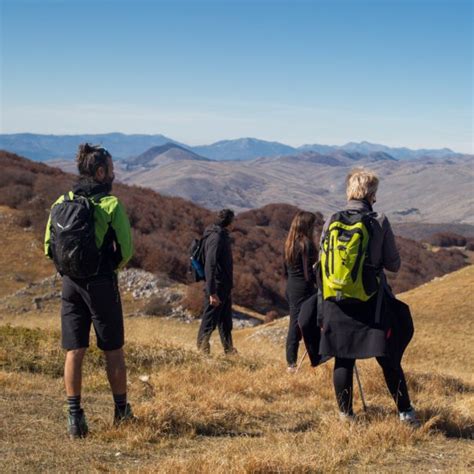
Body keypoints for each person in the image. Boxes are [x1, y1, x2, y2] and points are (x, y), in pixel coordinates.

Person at [44, 143, 134, 438]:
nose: (114, 173)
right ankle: (121, 413)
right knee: (113, 350)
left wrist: (72, 269)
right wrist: (109, 268)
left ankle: (74, 418)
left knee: (75, 350)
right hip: (101, 284)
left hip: (70, 284)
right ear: (100, 172)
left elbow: (49, 247)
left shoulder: (61, 201)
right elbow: (126, 251)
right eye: (111, 168)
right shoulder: (110, 205)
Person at [318, 168, 418, 425]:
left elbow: (321, 261)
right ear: (371, 194)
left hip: (337, 301)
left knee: (343, 357)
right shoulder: (379, 220)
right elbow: (393, 264)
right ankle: (405, 414)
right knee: (387, 356)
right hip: (371, 302)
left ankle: (345, 417)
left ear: (350, 191)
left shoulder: (331, 219)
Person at [196, 209, 236, 354]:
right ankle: (201, 351)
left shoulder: (219, 235)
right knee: (209, 321)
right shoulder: (217, 237)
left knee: (225, 322)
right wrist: (212, 292)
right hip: (217, 287)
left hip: (224, 287)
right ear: (229, 222)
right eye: (233, 220)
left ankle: (229, 350)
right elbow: (210, 264)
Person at [283, 211, 318, 372]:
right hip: (304, 288)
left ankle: (291, 361)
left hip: (291, 286)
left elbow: (285, 269)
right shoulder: (307, 245)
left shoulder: (289, 243)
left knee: (295, 324)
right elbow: (308, 273)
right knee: (303, 324)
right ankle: (308, 359)